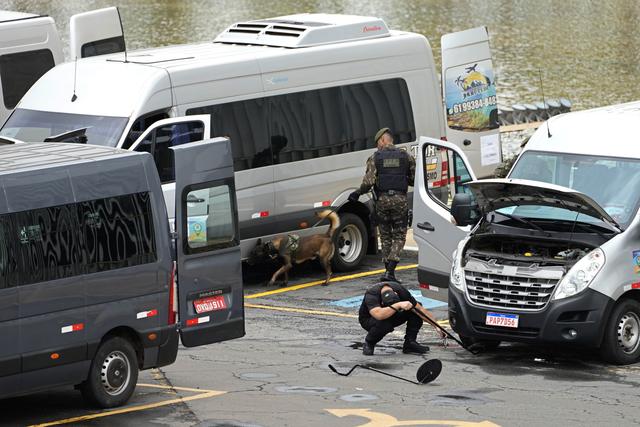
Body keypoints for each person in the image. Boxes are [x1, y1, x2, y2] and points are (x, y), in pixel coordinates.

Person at [348, 127, 415, 282]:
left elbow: (368, 182)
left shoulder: (375, 158)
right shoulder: (406, 157)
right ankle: (390, 272)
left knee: (385, 236)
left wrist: (357, 193)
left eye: (378, 142)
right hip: (400, 201)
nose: (378, 146)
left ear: (383, 140)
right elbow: (412, 179)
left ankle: (387, 272)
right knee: (399, 235)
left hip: (382, 202)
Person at [358, 282, 435, 355]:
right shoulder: (371, 294)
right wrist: (397, 305)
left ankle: (410, 343)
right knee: (384, 323)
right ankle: (369, 342)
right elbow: (378, 315)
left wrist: (437, 326)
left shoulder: (400, 290)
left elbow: (420, 310)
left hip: (393, 314)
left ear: (396, 293)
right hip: (369, 320)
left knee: (414, 310)